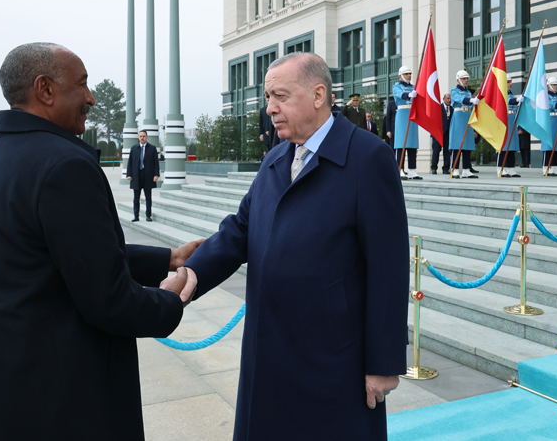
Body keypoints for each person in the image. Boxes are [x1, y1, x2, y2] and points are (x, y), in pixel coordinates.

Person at [0, 42, 200, 441]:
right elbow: (108, 300)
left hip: (3, 388)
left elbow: (67, 255)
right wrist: (170, 300)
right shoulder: (64, 165)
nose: (91, 97)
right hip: (62, 401)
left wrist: (168, 258)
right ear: (45, 89)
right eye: (82, 84)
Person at [175, 52, 408, 440]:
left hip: (332, 359)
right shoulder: (276, 157)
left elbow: (389, 266)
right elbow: (240, 229)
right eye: (268, 98)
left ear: (318, 95)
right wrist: (193, 272)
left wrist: (383, 363)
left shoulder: (368, 157)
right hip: (268, 352)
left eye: (279, 96)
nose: (270, 109)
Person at [392, 66, 422, 180]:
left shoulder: (414, 87)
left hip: (412, 114)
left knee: (412, 143)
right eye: (406, 74)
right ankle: (399, 169)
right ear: (401, 76)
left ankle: (412, 170)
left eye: (410, 73)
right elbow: (399, 94)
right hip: (402, 114)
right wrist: (409, 95)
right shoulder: (396, 86)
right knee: (401, 143)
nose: (409, 75)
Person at [449, 70, 478, 178]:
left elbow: (471, 106)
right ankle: (455, 169)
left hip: (467, 116)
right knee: (457, 144)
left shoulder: (468, 92)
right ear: (458, 80)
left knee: (467, 144)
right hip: (459, 116)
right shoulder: (454, 90)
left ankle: (466, 169)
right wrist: (471, 100)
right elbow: (459, 99)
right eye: (463, 79)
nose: (466, 80)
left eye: (466, 79)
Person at [127, 129, 160, 222]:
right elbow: (130, 162)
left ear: (147, 137)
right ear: (138, 137)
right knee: (136, 198)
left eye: (144, 136)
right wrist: (129, 174)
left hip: (148, 176)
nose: (142, 138)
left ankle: (148, 215)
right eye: (140, 136)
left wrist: (156, 175)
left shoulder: (152, 148)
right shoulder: (134, 148)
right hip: (136, 176)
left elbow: (156, 163)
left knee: (148, 197)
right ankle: (136, 216)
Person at [498, 79, 522, 177]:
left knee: (512, 146)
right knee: (504, 145)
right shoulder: (500, 93)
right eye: (508, 82)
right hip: (504, 120)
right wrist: (516, 100)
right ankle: (501, 168)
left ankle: (510, 168)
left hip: (512, 120)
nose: (510, 83)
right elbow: (506, 101)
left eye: (510, 81)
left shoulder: (511, 94)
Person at [431, 93, 453, 174]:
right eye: (447, 98)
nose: (449, 100)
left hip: (448, 134)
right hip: (438, 133)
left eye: (450, 99)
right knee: (436, 151)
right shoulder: (438, 108)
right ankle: (434, 168)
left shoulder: (452, 109)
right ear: (444, 99)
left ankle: (445, 168)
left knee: (447, 151)